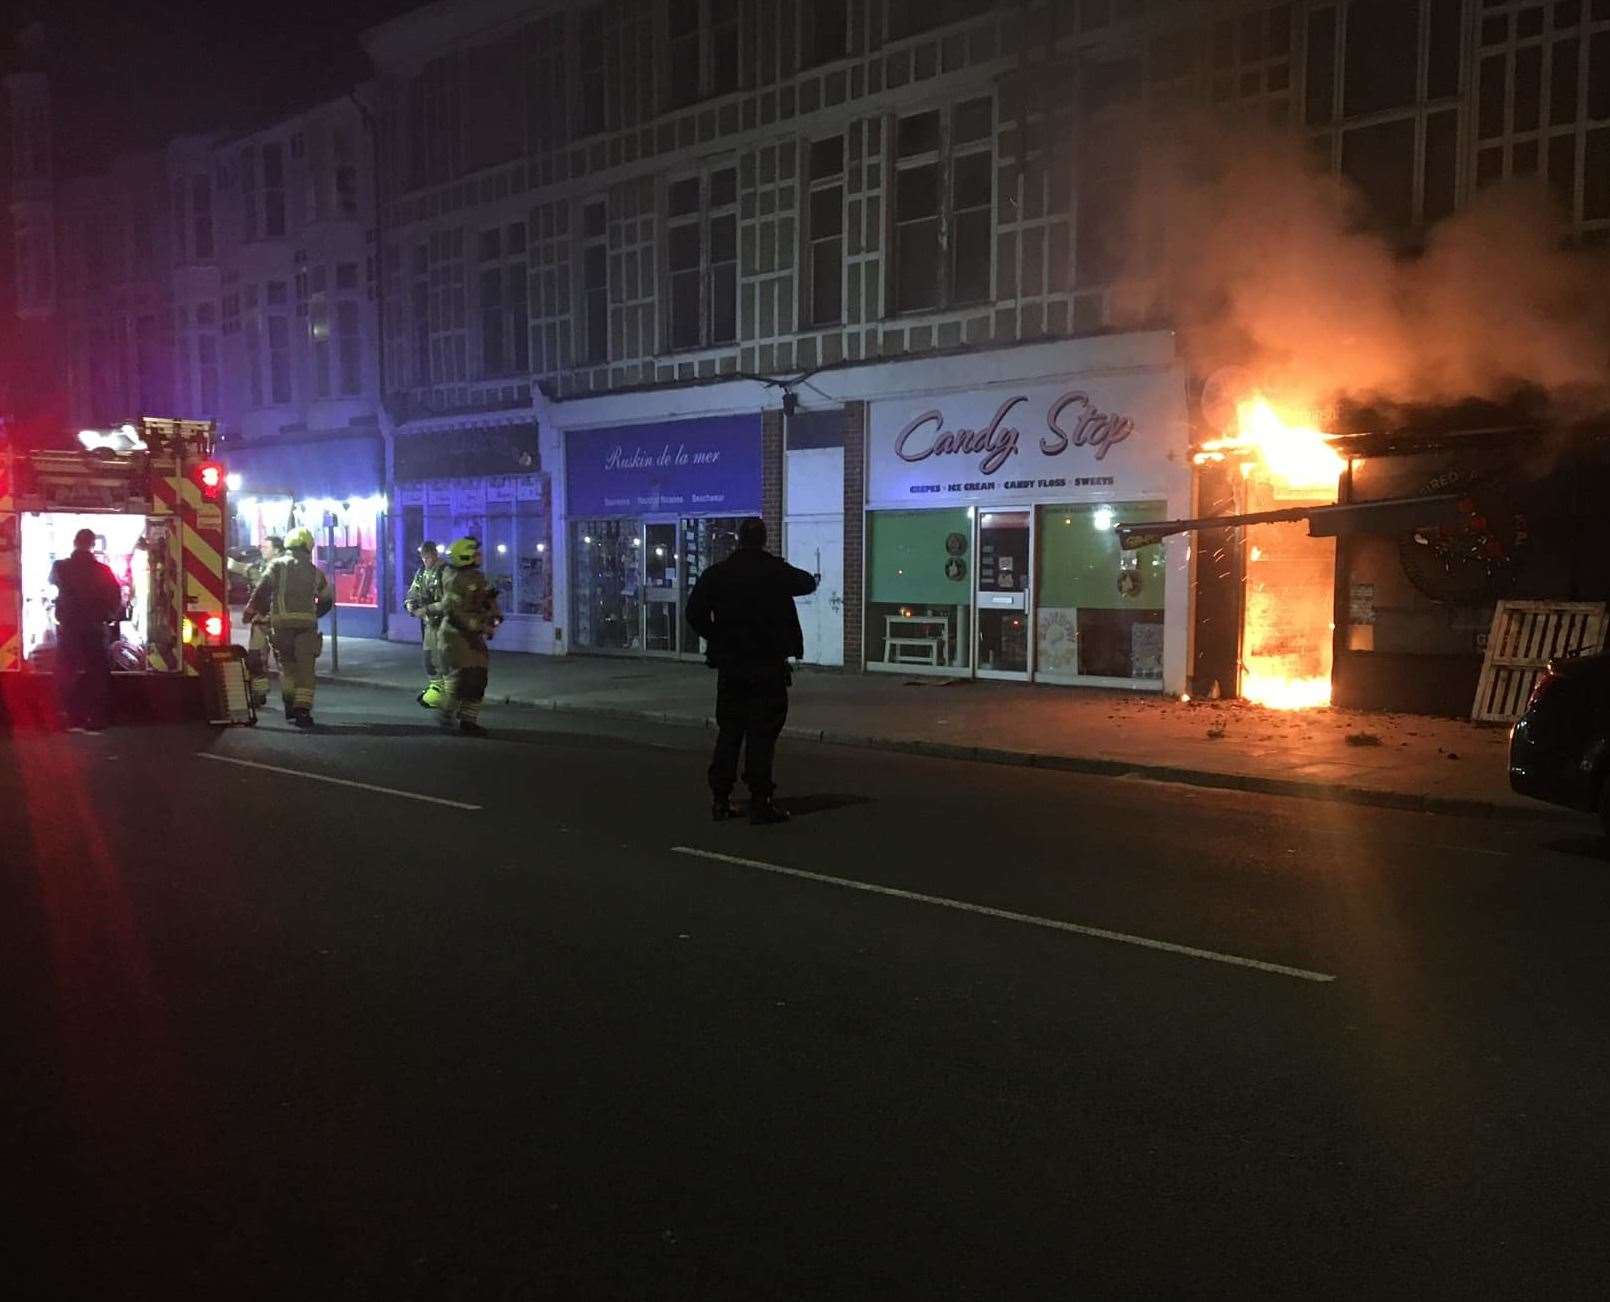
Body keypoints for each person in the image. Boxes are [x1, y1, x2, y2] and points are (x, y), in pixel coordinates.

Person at [685, 516, 817, 824]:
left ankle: (720, 798)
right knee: (762, 735)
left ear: (738, 540)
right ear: (763, 540)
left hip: (732, 666)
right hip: (767, 665)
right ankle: (760, 800)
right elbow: (808, 583)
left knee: (730, 731)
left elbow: (694, 613)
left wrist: (718, 636)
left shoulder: (718, 574)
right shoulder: (774, 571)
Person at [243, 527, 332, 728]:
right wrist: (314, 614)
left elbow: (261, 591)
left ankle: (290, 706)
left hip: (281, 627)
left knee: (288, 668)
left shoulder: (276, 567)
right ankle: (302, 712)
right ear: (308, 547)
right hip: (306, 628)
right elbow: (326, 600)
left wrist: (250, 613)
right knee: (305, 669)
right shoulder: (315, 572)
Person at [50, 528, 123, 733]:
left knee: (66, 672)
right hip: (94, 628)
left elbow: (53, 586)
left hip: (69, 628)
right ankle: (96, 719)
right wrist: (108, 618)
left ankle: (70, 718)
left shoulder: (60, 567)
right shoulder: (103, 570)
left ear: (75, 542)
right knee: (97, 673)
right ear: (93, 545)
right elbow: (116, 598)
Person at [436, 536, 502, 738]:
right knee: (465, 677)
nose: (480, 556)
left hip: (472, 637)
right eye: (475, 553)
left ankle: (468, 720)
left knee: (478, 677)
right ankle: (448, 712)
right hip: (455, 637)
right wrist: (480, 626)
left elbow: (486, 599)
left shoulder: (476, 577)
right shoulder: (454, 579)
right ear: (465, 556)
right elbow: (456, 613)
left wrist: (494, 616)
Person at [229, 535, 284, 706]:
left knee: (285, 664)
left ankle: (293, 700)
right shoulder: (258, 567)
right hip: (260, 623)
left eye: (266, 547)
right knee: (254, 660)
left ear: (277, 550)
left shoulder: (285, 568)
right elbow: (236, 567)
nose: (262, 549)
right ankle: (259, 694)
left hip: (280, 624)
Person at [402, 540, 447, 708]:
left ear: (435, 555)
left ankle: (447, 692)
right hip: (429, 624)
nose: (426, 561)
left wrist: (427, 609)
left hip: (445, 623)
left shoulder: (445, 572)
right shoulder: (422, 572)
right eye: (423, 558)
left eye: (428, 558)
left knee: (444, 658)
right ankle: (435, 688)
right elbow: (413, 591)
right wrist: (410, 604)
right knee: (429, 658)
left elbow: (449, 602)